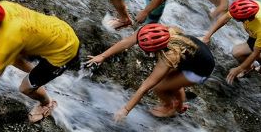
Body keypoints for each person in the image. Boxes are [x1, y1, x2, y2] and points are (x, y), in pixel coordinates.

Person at [0, 0, 80, 125]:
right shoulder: (4, 5)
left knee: (25, 88)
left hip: (65, 51)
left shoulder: (8, 41)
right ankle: (36, 75)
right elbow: (10, 24)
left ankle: (47, 103)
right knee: (12, 58)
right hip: (60, 29)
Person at [86, 23, 215, 120]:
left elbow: (146, 86)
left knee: (160, 88)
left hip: (200, 71)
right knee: (172, 82)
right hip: (192, 56)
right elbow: (126, 42)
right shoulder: (151, 32)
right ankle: (179, 106)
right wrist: (102, 56)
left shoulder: (169, 56)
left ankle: (170, 106)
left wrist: (125, 110)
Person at [202, 0, 261, 83]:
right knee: (252, 48)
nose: (233, 18)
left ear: (248, 18)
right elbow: (225, 18)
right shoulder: (244, 7)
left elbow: (256, 52)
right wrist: (207, 36)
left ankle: (255, 67)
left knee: (237, 52)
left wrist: (239, 68)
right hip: (256, 33)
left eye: (237, 19)